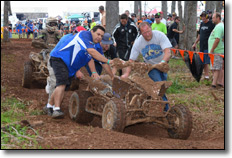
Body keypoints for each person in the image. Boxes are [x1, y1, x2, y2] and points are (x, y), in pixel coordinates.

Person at [44, 26, 114, 118]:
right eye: (98, 34)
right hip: (59, 58)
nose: (99, 37)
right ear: (92, 31)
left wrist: (112, 77)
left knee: (63, 85)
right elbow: (92, 52)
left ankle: (49, 106)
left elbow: (103, 62)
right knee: (61, 84)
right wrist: (108, 61)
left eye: (101, 36)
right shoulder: (84, 35)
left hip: (69, 65)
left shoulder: (96, 46)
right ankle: (56, 109)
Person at [123, 22, 172, 111]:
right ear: (141, 33)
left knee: (162, 87)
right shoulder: (138, 42)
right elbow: (131, 60)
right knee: (158, 86)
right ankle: (165, 109)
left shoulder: (159, 35)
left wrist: (162, 62)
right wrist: (126, 73)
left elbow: (168, 51)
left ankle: (154, 103)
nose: (147, 34)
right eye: (144, 33)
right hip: (152, 67)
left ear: (151, 29)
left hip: (163, 65)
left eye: (148, 31)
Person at [192, 11, 215, 80]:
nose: (203, 18)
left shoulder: (211, 24)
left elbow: (214, 34)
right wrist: (195, 43)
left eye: (204, 16)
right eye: (202, 16)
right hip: (201, 46)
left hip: (208, 46)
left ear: (207, 16)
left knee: (209, 62)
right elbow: (199, 35)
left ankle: (214, 76)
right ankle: (206, 76)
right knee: (203, 62)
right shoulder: (201, 24)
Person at [208, 12, 224, 89]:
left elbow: (217, 39)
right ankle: (220, 83)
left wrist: (212, 50)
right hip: (217, 50)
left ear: (218, 18)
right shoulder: (219, 26)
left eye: (214, 18)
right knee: (218, 68)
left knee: (216, 68)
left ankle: (214, 84)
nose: (212, 19)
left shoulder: (219, 27)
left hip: (217, 50)